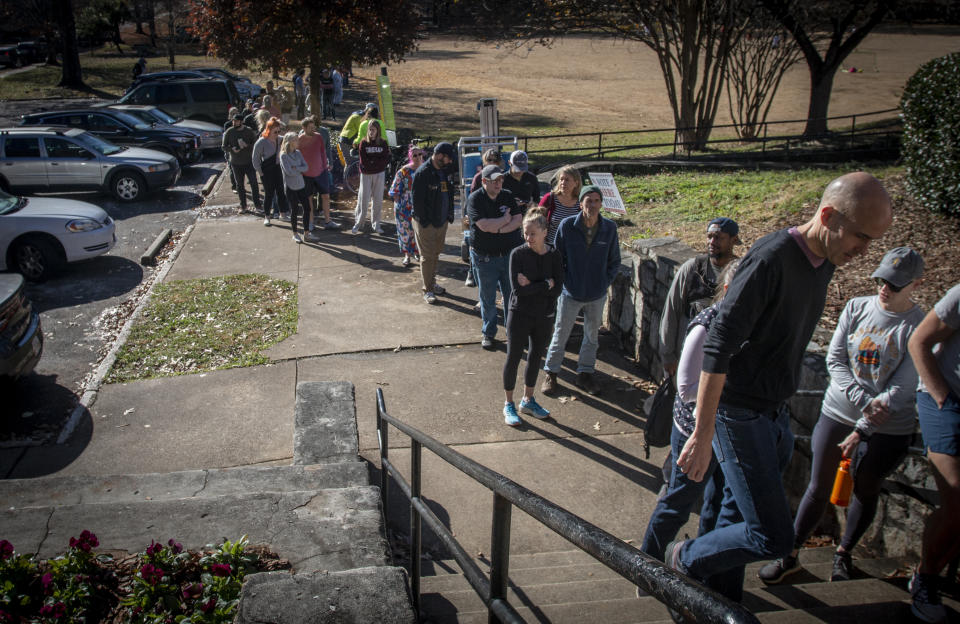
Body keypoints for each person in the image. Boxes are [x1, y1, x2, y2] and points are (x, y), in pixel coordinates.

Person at [671, 172, 893, 603]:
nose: (865, 252)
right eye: (860, 237)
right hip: (737, 412)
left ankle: (719, 603)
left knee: (731, 514)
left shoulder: (827, 258)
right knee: (771, 535)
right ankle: (684, 559)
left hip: (773, 412)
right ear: (827, 216)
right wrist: (702, 433)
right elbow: (717, 345)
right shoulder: (771, 258)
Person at [758, 247, 925, 586]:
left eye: (894, 285)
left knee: (867, 487)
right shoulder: (856, 307)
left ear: (915, 285)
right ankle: (790, 553)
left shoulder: (917, 326)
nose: (885, 289)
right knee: (818, 486)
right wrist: (862, 400)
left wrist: (865, 422)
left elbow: (904, 388)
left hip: (889, 426)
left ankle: (844, 553)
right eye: (881, 280)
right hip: (839, 411)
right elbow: (835, 361)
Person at [639, 259, 740, 565]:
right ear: (727, 288)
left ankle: (703, 561)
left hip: (727, 431)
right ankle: (648, 565)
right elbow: (686, 389)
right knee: (678, 500)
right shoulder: (707, 325)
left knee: (719, 501)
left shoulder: (748, 325)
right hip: (693, 432)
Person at [908, 282, 960, 623]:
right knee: (957, 493)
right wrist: (942, 397)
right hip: (943, 397)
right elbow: (918, 342)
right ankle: (925, 579)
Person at [541, 185, 621, 397]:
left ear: (601, 204)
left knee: (591, 337)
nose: (592, 205)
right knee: (560, 334)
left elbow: (615, 261)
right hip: (570, 293)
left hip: (596, 294)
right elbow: (557, 258)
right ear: (581, 204)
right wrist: (565, 282)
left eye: (596, 201)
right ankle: (551, 372)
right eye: (588, 200)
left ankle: (585, 373)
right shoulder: (567, 226)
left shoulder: (609, 228)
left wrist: (604, 282)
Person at [502, 206, 564, 426]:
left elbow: (558, 290)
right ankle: (509, 403)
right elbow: (518, 291)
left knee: (535, 357)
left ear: (545, 232)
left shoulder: (554, 255)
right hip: (520, 314)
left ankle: (528, 399)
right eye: (525, 234)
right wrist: (545, 284)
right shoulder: (517, 255)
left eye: (532, 234)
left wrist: (535, 285)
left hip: (544, 315)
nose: (528, 238)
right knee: (513, 357)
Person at [660, 218, 741, 378]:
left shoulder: (739, 273)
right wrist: (668, 355)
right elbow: (671, 311)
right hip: (685, 355)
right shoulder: (692, 269)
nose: (712, 242)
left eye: (718, 237)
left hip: (720, 362)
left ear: (734, 240)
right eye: (709, 236)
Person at [467, 165, 523, 349]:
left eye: (500, 179)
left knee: (511, 295)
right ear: (484, 181)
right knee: (487, 297)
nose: (499, 183)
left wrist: (498, 228)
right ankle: (489, 333)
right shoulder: (475, 199)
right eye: (494, 180)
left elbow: (518, 220)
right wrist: (505, 220)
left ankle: (512, 331)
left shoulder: (507, 195)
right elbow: (483, 225)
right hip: (485, 258)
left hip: (508, 256)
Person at [412, 142, 457, 304]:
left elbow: (450, 193)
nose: (450, 161)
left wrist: (449, 215)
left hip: (442, 220)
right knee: (427, 256)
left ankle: (432, 282)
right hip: (426, 223)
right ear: (439, 156)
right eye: (448, 158)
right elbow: (417, 202)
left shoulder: (445, 171)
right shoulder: (422, 173)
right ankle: (428, 289)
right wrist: (424, 221)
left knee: (436, 253)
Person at [466, 148, 504, 289]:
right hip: (481, 217)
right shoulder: (478, 177)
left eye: (495, 160)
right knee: (475, 245)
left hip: (498, 218)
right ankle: (471, 272)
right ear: (484, 161)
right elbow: (472, 199)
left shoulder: (502, 177)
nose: (492, 163)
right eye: (489, 160)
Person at [298, 117, 340, 231]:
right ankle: (310, 222)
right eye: (310, 128)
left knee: (326, 196)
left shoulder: (319, 137)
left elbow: (323, 151)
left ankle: (328, 221)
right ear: (304, 128)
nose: (314, 130)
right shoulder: (299, 139)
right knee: (309, 198)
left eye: (314, 127)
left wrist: (326, 165)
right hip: (306, 174)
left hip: (321, 172)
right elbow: (297, 156)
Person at [388, 144, 426, 267]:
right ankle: (407, 255)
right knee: (405, 231)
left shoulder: (426, 169)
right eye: (414, 155)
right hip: (405, 204)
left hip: (422, 204)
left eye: (420, 154)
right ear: (410, 157)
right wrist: (399, 203)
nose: (418, 157)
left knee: (420, 230)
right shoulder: (404, 170)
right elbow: (394, 188)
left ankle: (418, 253)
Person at [353, 121, 390, 235]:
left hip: (379, 174)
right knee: (364, 199)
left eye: (373, 129)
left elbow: (385, 159)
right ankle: (359, 223)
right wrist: (375, 163)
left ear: (378, 131)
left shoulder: (383, 143)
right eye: (370, 129)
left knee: (378, 199)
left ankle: (376, 224)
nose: (371, 132)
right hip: (366, 174)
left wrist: (376, 164)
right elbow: (363, 160)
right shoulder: (363, 143)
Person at [252, 117, 289, 226]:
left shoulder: (280, 139)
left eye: (279, 131)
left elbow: (291, 138)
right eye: (275, 131)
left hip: (278, 169)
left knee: (281, 192)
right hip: (267, 171)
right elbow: (255, 159)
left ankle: (282, 214)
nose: (277, 133)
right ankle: (267, 216)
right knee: (269, 194)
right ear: (268, 130)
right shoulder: (261, 142)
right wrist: (260, 172)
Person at [222, 112, 261, 214]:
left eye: (236, 121)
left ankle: (258, 205)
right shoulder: (229, 132)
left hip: (248, 162)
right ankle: (243, 206)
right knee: (240, 185)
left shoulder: (248, 131)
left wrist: (246, 145)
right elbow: (223, 146)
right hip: (236, 163)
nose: (234, 123)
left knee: (254, 183)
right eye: (233, 121)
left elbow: (255, 144)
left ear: (241, 122)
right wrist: (231, 149)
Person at [279, 132, 313, 243]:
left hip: (301, 185)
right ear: (289, 142)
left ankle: (307, 233)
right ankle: (295, 234)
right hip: (290, 186)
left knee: (307, 208)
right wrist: (299, 169)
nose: (298, 142)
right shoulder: (283, 155)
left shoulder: (298, 153)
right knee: (294, 210)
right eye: (295, 140)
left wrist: (296, 167)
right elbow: (289, 172)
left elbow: (306, 167)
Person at [539, 166, 582, 245]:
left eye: (567, 180)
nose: (563, 183)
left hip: (573, 248)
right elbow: (536, 221)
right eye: (561, 179)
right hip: (551, 247)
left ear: (576, 183)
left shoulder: (582, 202)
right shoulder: (549, 198)